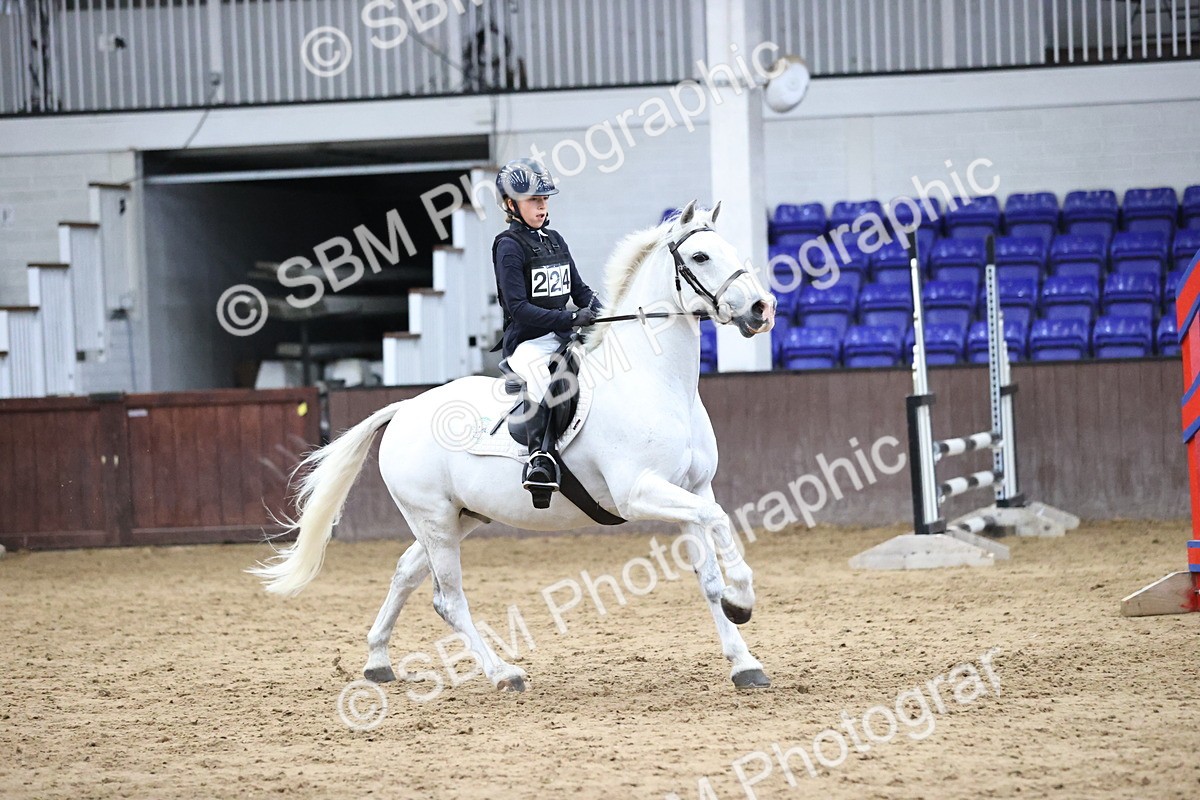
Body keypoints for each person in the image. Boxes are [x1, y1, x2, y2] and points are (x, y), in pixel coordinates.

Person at [492, 158, 601, 508]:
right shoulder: (508, 245)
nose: (541, 206)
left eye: (544, 199)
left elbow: (580, 292)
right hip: (528, 342)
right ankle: (541, 460)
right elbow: (518, 308)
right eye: (532, 200)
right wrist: (569, 320)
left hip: (563, 337)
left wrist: (605, 311)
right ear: (511, 205)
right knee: (543, 384)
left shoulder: (554, 240)